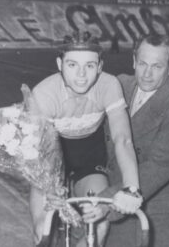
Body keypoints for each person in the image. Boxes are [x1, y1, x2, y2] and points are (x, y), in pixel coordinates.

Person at [82, 34, 169, 247]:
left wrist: (105, 202)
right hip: (113, 207)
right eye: (142, 64)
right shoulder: (118, 85)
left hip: (153, 215)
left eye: (157, 67)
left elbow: (157, 168)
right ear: (133, 61)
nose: (147, 74)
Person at [29, 31, 143, 247]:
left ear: (100, 66)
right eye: (72, 65)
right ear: (59, 64)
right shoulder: (44, 94)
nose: (81, 75)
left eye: (89, 66)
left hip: (89, 159)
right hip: (51, 160)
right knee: (41, 230)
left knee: (99, 224)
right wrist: (50, 186)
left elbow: (123, 139)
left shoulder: (109, 85)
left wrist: (132, 188)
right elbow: (39, 151)